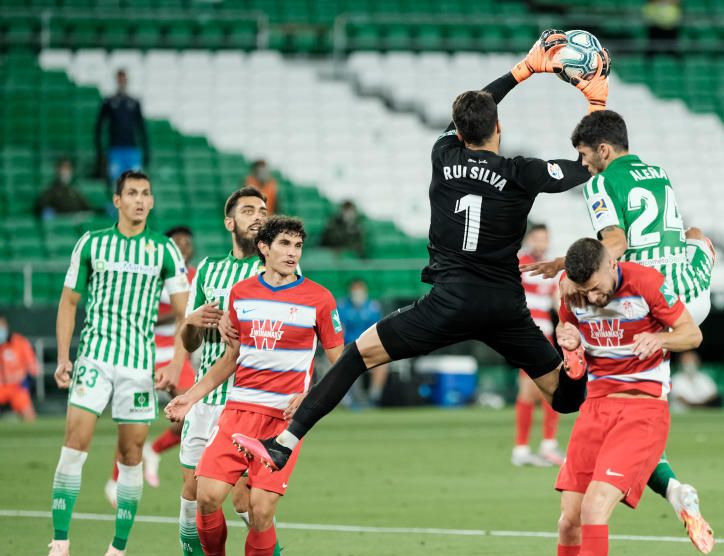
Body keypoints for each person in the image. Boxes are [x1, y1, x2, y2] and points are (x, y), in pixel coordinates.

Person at [231, 30, 605, 474]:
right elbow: (587, 165)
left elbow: (475, 108)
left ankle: (283, 444)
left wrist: (524, 69)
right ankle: (578, 367)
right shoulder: (522, 171)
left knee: (356, 356)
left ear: (459, 132)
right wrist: (597, 103)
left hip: (448, 303)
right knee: (563, 398)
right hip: (504, 306)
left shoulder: (443, 154)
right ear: (498, 129)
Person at [521, 109, 714, 518]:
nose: (583, 164)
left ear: (604, 150)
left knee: (613, 398)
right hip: (693, 291)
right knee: (697, 238)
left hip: (647, 298)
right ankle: (674, 488)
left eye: (585, 155)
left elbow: (616, 240)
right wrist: (563, 260)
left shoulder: (600, 183)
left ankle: (575, 353)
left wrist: (574, 275)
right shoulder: (657, 172)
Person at [165, 216, 345, 556]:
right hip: (237, 412)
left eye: (298, 246)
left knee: (260, 512)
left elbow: (342, 362)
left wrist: (309, 396)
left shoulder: (319, 298)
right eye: (284, 244)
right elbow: (232, 359)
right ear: (264, 247)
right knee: (206, 497)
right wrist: (191, 398)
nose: (292, 252)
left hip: (282, 423)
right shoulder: (241, 294)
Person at [539, 238, 712, 556]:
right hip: (596, 408)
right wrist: (571, 347)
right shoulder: (572, 289)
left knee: (595, 509)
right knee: (568, 521)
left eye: (597, 287)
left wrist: (661, 339)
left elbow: (692, 335)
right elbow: (576, 358)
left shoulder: (647, 282)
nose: (593, 296)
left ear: (611, 264)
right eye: (585, 291)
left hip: (642, 408)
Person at [42, 170, 189, 556]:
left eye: (146, 193)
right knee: (76, 440)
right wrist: (65, 355)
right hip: (96, 357)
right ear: (117, 200)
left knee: (131, 454)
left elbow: (184, 315)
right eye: (132, 193)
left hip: (138, 365)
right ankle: (59, 542)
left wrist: (176, 365)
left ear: (152, 202)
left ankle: (116, 550)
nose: (140, 200)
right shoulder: (92, 242)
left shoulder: (164, 250)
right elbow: (69, 302)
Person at [159, 187, 298, 556]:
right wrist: (191, 324)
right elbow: (190, 337)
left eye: (262, 209)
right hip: (206, 398)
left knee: (240, 500)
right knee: (191, 496)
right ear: (229, 222)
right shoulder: (210, 271)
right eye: (248, 210)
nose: (258, 215)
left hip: (249, 401)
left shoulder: (275, 268)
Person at [104, 225, 198, 505]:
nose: (182, 246)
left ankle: (154, 450)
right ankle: (115, 479)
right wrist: (182, 316)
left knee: (194, 415)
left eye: (187, 242)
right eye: (177, 241)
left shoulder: (195, 277)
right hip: (143, 352)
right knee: (132, 421)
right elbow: (138, 314)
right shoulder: (149, 276)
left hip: (177, 354)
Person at [515, 224, 564, 466]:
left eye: (545, 238)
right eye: (537, 238)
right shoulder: (519, 263)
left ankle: (534, 447)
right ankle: (536, 446)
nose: (541, 242)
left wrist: (566, 322)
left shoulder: (550, 267)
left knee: (547, 387)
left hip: (546, 333)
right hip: (528, 333)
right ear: (529, 239)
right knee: (543, 387)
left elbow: (556, 301)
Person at [335, 279, 386, 407]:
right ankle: (348, 399)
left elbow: (377, 330)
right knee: (345, 361)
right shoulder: (341, 306)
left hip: (368, 348)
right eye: (355, 289)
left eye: (360, 289)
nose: (358, 293)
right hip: (348, 348)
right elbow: (338, 330)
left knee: (383, 364)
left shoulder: (373, 307)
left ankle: (373, 397)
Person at [95, 69, 148, 185]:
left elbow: (142, 128)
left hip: (132, 150)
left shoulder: (134, 102)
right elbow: (99, 127)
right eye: (120, 78)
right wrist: (100, 151)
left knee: (135, 183)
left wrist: (146, 150)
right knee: (117, 183)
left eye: (124, 78)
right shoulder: (109, 102)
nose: (122, 81)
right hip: (115, 149)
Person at [0, 314, 40, 422]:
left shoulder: (19, 342)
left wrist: (26, 382)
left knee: (29, 417)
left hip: (16, 387)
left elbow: (34, 368)